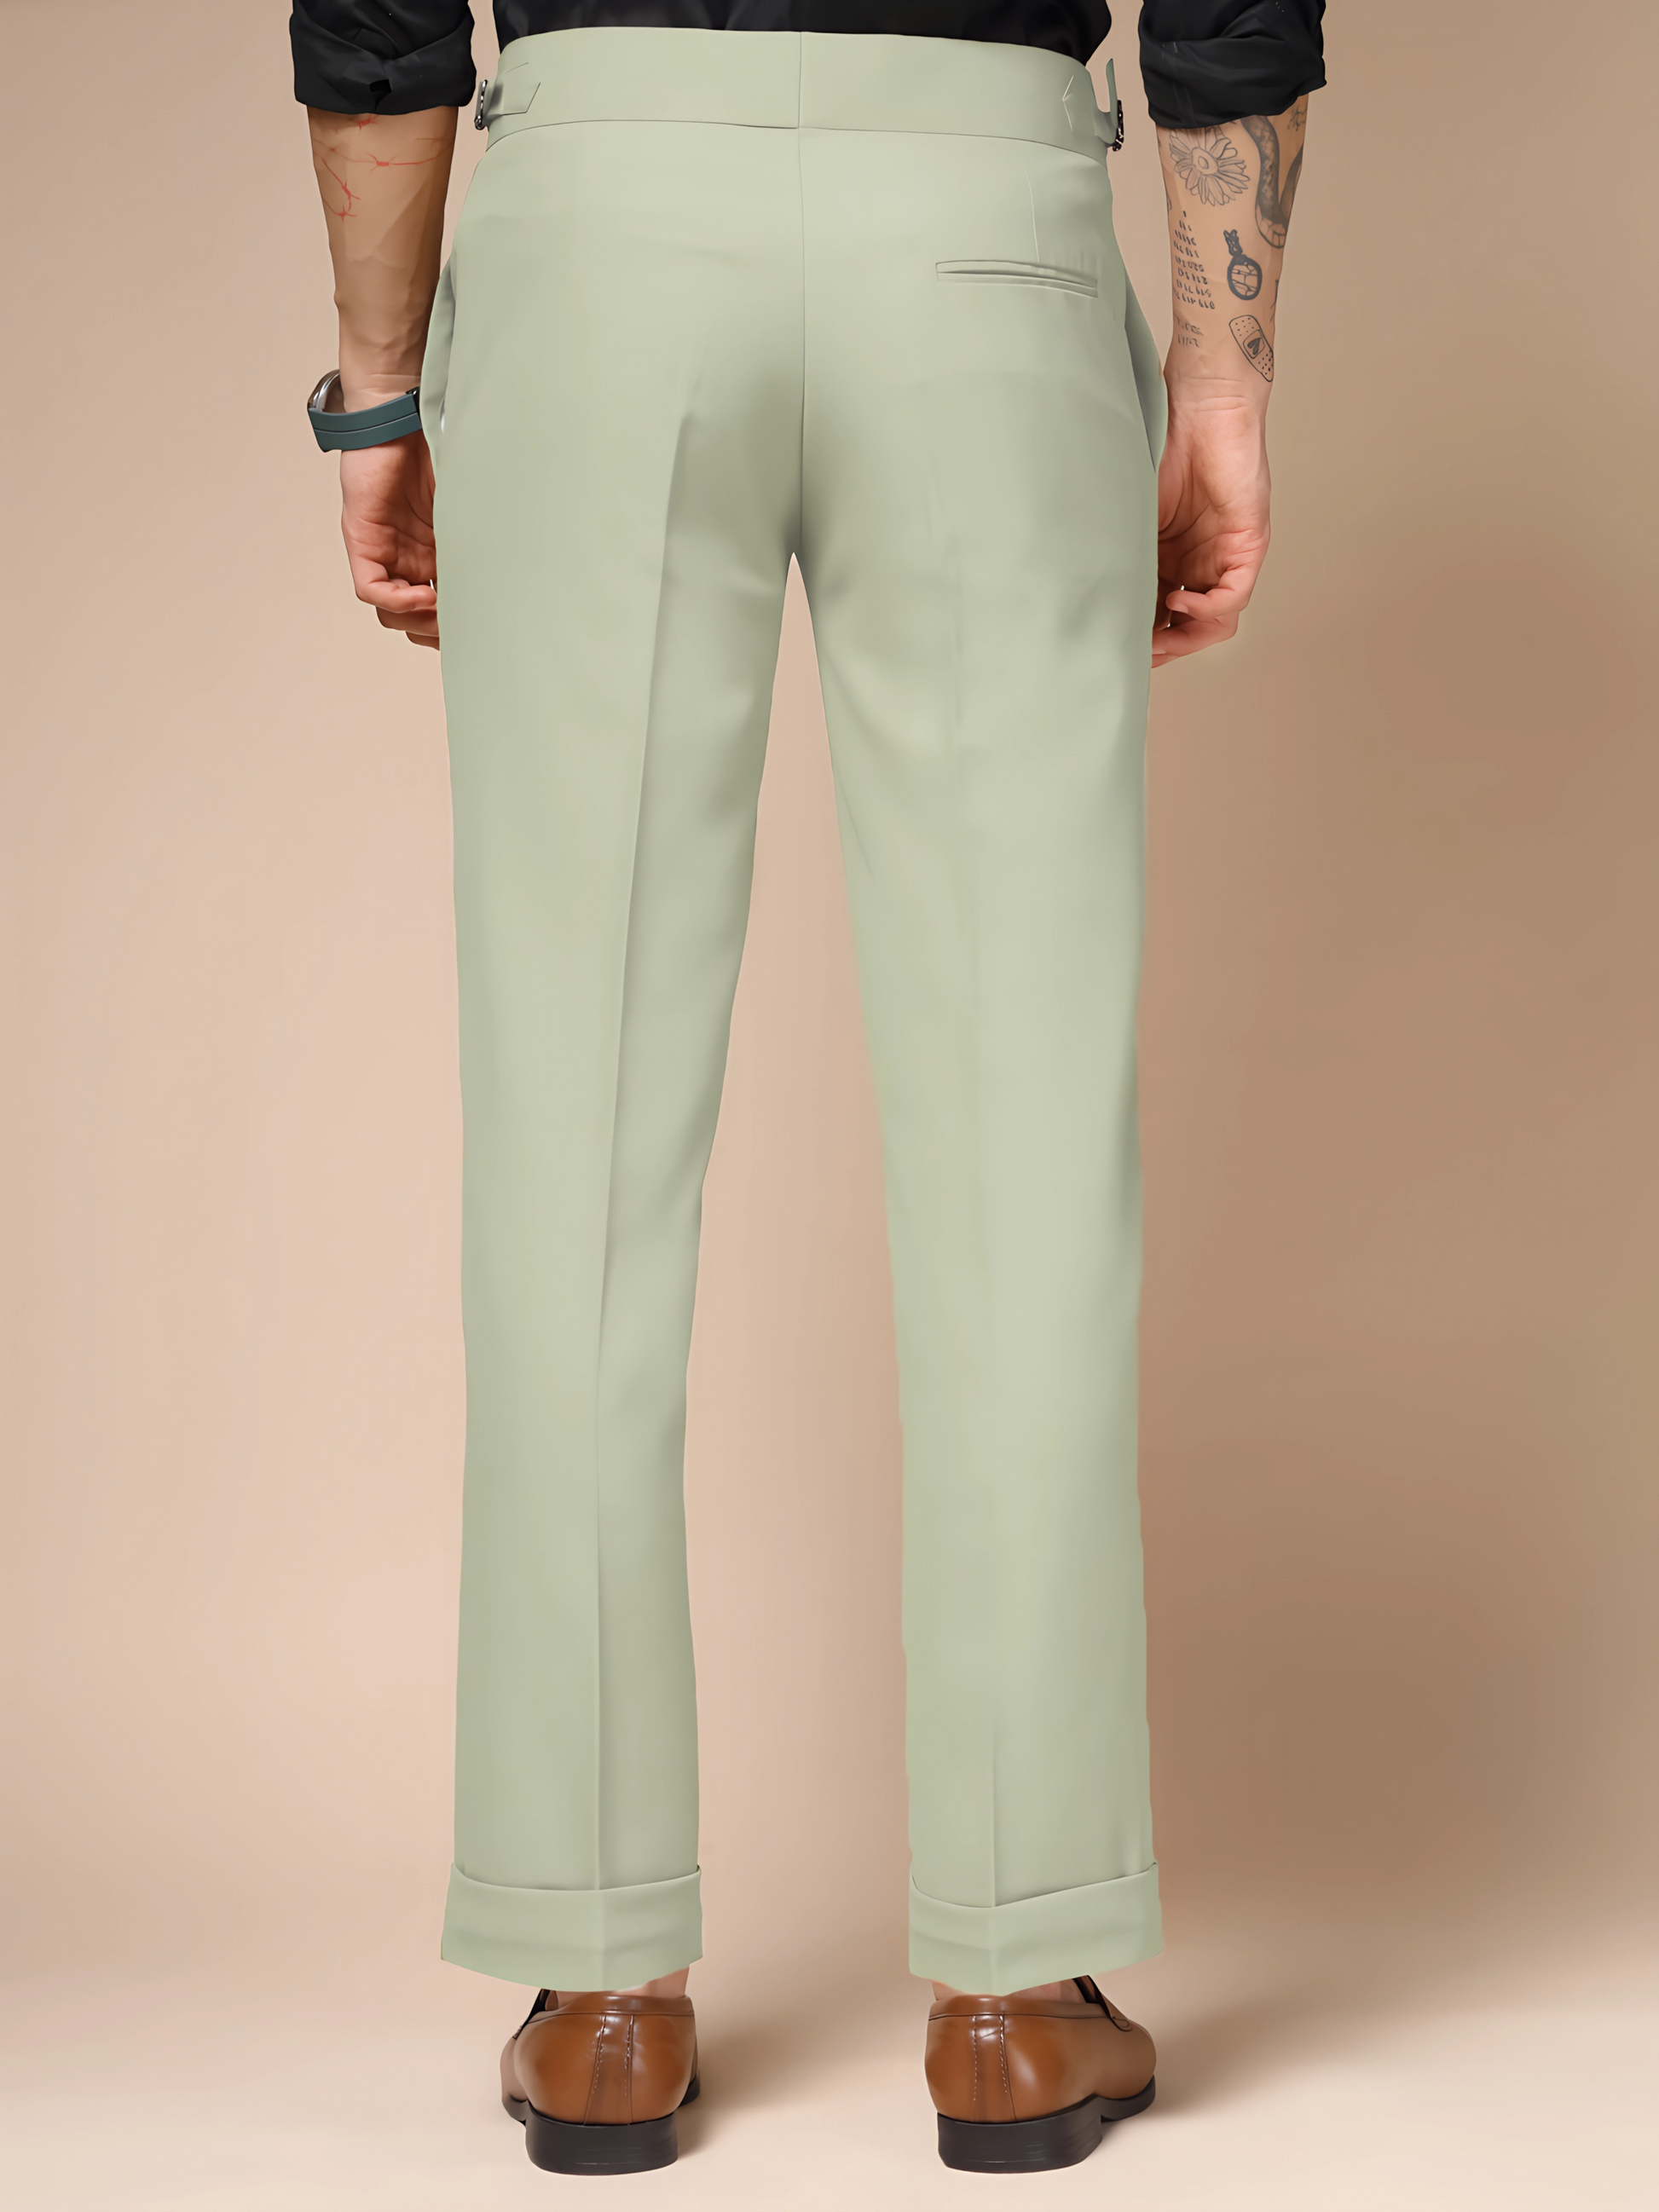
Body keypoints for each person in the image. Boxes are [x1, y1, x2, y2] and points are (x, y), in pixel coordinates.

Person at [295, 0, 1321, 2176]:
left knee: (567, 1146)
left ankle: (599, 1990)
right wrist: (1221, 378)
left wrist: (382, 388)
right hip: (986, 229)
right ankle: (1015, 1992)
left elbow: (375, 20)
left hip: (598, 234)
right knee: (1025, 1151)